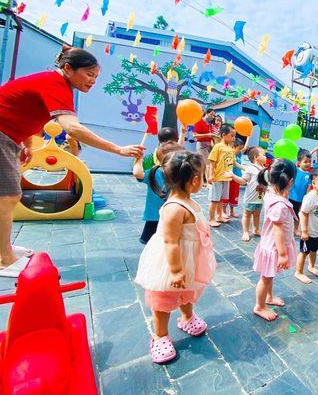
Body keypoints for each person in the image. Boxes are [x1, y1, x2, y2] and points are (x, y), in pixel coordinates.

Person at [0, 45, 144, 277]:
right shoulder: (55, 84)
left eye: (96, 77)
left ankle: (4, 247)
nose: (93, 81)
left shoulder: (56, 85)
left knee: (7, 197)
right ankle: (4, 258)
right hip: (2, 134)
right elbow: (72, 128)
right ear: (68, 68)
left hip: (10, 137)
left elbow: (24, 110)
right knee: (7, 197)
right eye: (89, 74)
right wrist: (118, 149)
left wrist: (26, 144)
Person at [135, 150, 215, 364]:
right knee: (164, 298)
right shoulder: (175, 208)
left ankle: (187, 317)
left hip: (187, 260)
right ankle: (160, 336)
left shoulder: (188, 201)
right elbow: (170, 242)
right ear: (195, 180)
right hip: (171, 264)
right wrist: (176, 271)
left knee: (187, 291)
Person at [252, 159, 298, 321]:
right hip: (274, 247)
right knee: (265, 278)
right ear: (290, 182)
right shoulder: (280, 205)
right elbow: (278, 230)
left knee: (269, 275)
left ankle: (269, 297)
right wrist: (283, 254)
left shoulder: (271, 193)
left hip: (270, 244)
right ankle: (259, 306)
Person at [134, 141, 184, 244]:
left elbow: (138, 173)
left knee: (153, 243)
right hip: (167, 216)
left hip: (156, 216)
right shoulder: (179, 175)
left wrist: (139, 159)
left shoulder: (155, 172)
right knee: (170, 242)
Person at [295, 168, 318, 284]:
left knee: (314, 250)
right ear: (314, 183)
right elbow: (303, 213)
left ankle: (311, 266)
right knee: (304, 252)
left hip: (317, 231)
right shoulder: (310, 197)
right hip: (309, 233)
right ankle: (299, 272)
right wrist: (304, 231)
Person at [206, 124, 236, 227]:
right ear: (223, 135)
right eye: (232, 135)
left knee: (220, 199)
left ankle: (219, 216)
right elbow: (212, 161)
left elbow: (232, 162)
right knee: (214, 199)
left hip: (226, 177)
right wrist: (211, 175)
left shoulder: (230, 148)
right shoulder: (218, 146)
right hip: (217, 177)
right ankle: (211, 219)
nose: (233, 138)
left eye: (234, 136)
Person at [239, 147, 267, 242]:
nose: (265, 157)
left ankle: (255, 229)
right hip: (250, 198)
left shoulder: (264, 169)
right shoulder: (250, 168)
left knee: (257, 214)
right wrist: (233, 176)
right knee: (247, 214)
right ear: (256, 157)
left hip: (260, 198)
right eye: (263, 155)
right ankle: (246, 232)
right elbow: (243, 181)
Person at [222, 137, 249, 219]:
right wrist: (245, 169)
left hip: (237, 179)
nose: (240, 150)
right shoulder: (230, 155)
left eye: (241, 148)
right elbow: (234, 164)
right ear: (233, 147)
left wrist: (248, 137)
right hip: (229, 179)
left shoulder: (238, 154)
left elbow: (245, 147)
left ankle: (232, 211)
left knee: (234, 195)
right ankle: (223, 212)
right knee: (226, 195)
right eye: (239, 148)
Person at [289, 149, 313, 236]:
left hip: (301, 199)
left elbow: (308, 187)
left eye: (309, 162)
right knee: (288, 214)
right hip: (291, 197)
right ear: (299, 163)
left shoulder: (309, 175)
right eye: (305, 162)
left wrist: (306, 198)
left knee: (297, 215)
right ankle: (287, 228)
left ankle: (295, 229)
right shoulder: (295, 171)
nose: (308, 164)